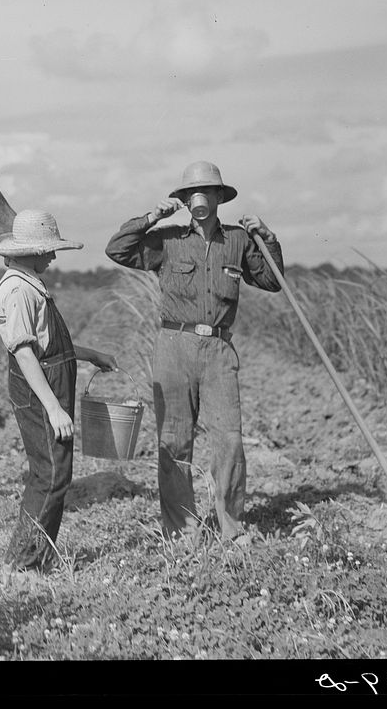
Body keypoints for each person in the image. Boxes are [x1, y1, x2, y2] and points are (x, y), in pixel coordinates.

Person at [104, 161, 283, 543]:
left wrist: (267, 238)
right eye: (190, 194)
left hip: (219, 349)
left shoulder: (238, 240)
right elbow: (117, 250)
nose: (198, 199)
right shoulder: (167, 240)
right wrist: (150, 218)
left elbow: (272, 280)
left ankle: (231, 528)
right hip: (174, 346)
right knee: (174, 441)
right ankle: (182, 531)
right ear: (184, 200)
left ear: (220, 197)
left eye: (206, 192)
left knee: (230, 440)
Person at [0, 209, 118, 581]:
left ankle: (36, 559)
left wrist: (91, 354)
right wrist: (53, 408)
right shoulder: (17, 290)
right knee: (49, 476)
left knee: (53, 472)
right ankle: (22, 565)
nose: (53, 256)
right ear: (30, 251)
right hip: (40, 391)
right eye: (49, 249)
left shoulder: (31, 284)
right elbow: (25, 352)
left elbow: (50, 344)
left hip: (50, 385)